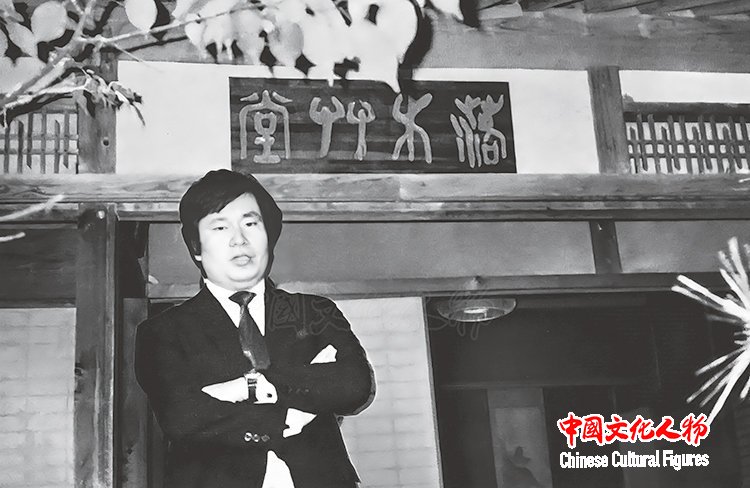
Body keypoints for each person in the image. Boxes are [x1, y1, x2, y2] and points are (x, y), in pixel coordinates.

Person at [135, 169, 375, 488]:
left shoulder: (315, 311)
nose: (239, 239)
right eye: (220, 227)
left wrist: (253, 385)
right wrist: (290, 411)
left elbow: (354, 386)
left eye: (250, 223)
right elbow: (181, 416)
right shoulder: (162, 331)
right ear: (196, 246)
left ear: (268, 236)